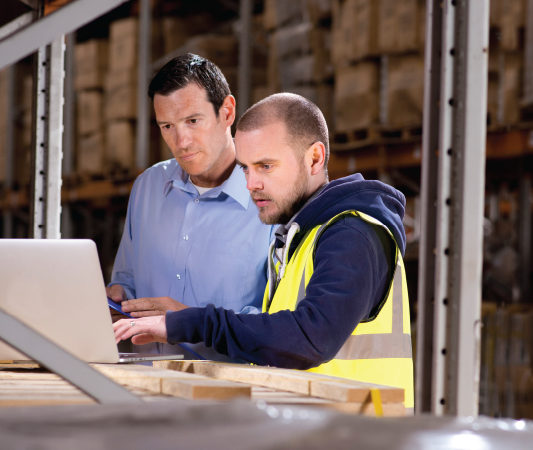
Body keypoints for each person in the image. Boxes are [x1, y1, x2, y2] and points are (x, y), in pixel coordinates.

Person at [114, 93, 414, 411]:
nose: (251, 184)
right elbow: (276, 341)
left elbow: (311, 337)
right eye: (245, 169)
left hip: (360, 436)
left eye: (265, 166)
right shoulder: (298, 238)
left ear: (314, 158)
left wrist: (189, 322)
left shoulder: (353, 234)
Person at [106, 53, 272, 361]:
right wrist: (119, 299)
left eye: (193, 121)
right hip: (151, 388)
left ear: (227, 112)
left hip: (234, 396)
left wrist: (188, 321)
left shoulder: (270, 200)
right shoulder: (148, 188)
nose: (181, 141)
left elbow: (279, 325)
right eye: (167, 126)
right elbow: (126, 280)